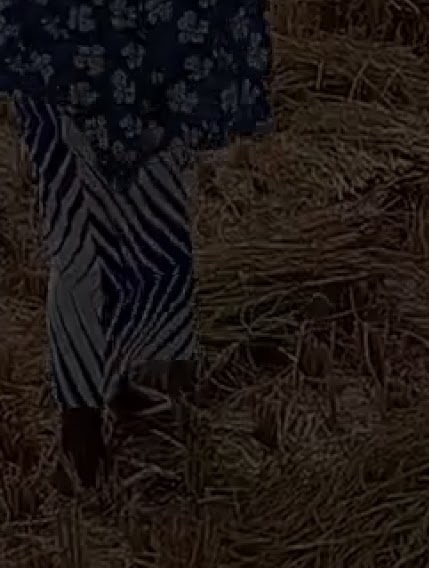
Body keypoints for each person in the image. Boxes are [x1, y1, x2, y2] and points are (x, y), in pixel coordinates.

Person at [0, 0, 273, 492]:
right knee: (80, 244)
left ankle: (118, 380)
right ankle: (78, 439)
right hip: (63, 50)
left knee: (149, 232)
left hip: (146, 54)